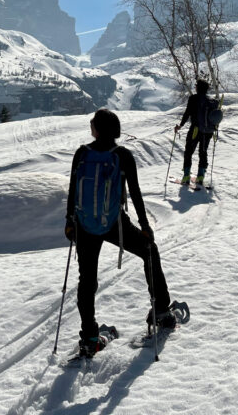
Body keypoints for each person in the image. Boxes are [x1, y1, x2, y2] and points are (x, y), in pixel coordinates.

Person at [64, 108, 176, 358]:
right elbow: (135, 192)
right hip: (115, 223)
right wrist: (145, 226)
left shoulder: (82, 153)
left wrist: (69, 221)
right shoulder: (122, 155)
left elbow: (73, 188)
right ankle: (161, 311)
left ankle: (90, 338)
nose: (90, 125)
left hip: (84, 225)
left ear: (97, 128)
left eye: (92, 122)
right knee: (149, 251)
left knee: (87, 281)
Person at [174, 78, 219, 186]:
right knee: (203, 152)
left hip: (195, 130)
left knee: (188, 152)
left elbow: (187, 113)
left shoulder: (193, 98)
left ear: (198, 87)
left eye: (196, 86)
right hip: (208, 132)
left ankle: (186, 176)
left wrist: (180, 125)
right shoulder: (211, 101)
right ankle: (200, 176)